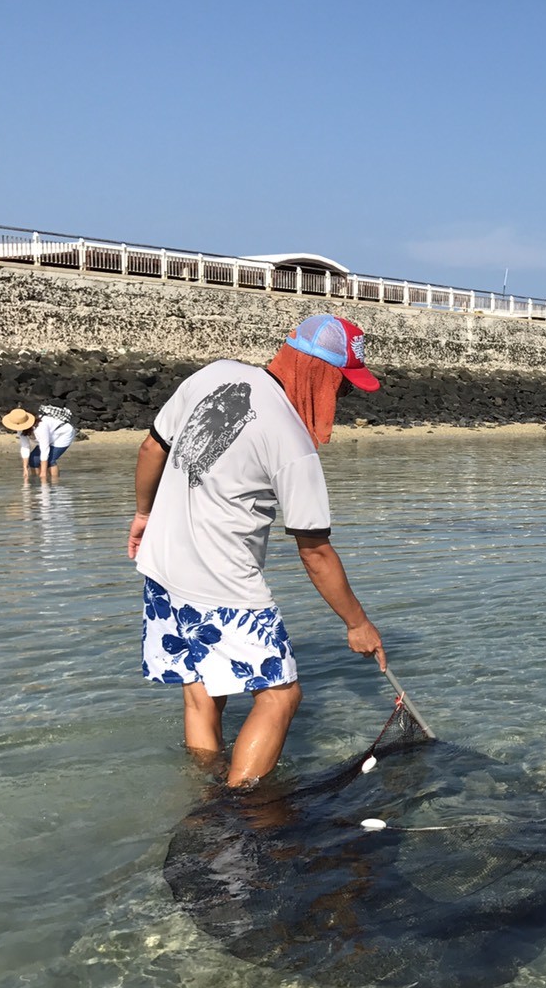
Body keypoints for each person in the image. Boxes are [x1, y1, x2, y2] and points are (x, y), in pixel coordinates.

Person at [127, 313, 387, 787]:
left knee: (202, 690)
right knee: (281, 697)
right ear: (320, 373)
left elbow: (151, 450)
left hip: (161, 566)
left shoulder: (214, 373)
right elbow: (315, 552)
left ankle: (203, 798)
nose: (343, 400)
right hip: (223, 583)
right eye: (343, 387)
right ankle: (238, 809)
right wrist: (357, 623)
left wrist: (144, 515)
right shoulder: (292, 444)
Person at [1, 404, 77, 483]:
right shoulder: (20, 426)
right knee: (33, 460)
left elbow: (44, 449)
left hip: (63, 433)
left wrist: (43, 473)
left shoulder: (40, 427)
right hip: (50, 434)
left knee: (50, 460)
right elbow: (25, 447)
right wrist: (25, 468)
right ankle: (37, 482)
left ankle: (54, 484)